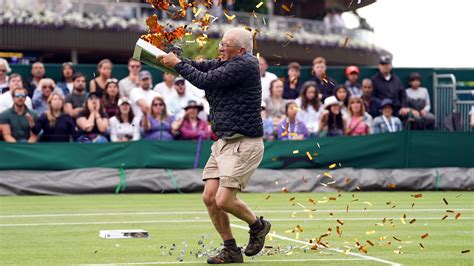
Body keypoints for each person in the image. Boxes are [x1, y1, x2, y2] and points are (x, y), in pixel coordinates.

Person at [160, 27, 270, 264]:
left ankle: (258, 226)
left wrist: (177, 64)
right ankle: (230, 249)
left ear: (240, 50)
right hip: (223, 142)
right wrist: (177, 59)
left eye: (225, 45)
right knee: (210, 197)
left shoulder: (246, 64)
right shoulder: (226, 62)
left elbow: (203, 80)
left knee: (223, 200)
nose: (220, 47)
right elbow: (201, 67)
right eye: (221, 43)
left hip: (244, 143)